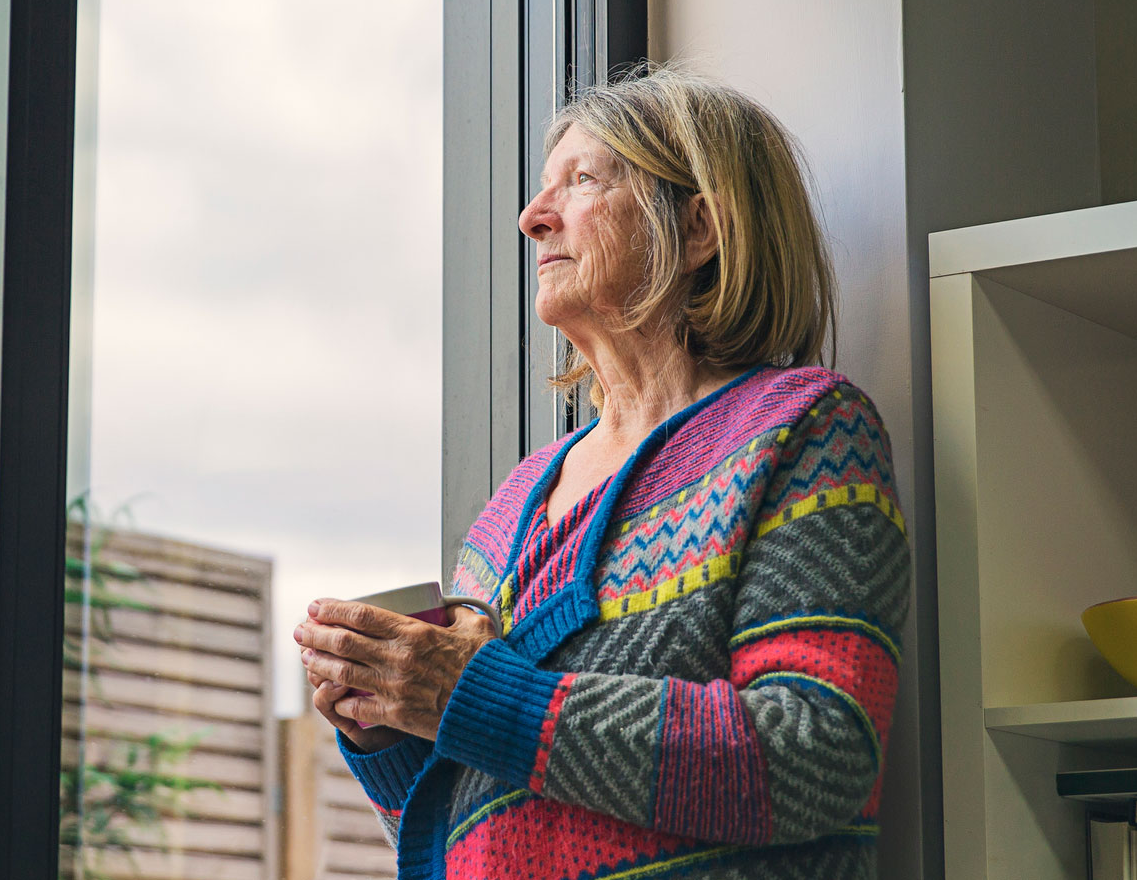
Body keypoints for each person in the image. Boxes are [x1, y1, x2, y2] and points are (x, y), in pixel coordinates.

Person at [293, 66, 908, 880]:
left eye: (580, 181)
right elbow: (469, 807)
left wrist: (469, 695)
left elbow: (812, 757)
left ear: (697, 230)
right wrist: (385, 722)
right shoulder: (511, 504)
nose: (530, 218)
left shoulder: (803, 429)